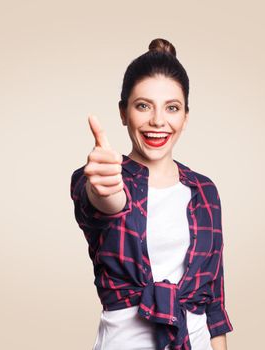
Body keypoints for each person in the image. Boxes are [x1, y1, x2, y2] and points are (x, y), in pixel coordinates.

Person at [70, 38, 233, 350]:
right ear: (123, 113)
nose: (158, 121)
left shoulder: (205, 191)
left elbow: (213, 300)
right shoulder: (103, 177)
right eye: (143, 106)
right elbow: (106, 203)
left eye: (171, 108)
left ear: (185, 116)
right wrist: (102, 187)